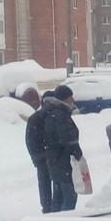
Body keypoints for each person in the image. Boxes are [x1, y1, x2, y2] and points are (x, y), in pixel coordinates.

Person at [41, 85, 82, 213]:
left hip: (55, 160)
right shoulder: (60, 115)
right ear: (64, 98)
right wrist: (77, 152)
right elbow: (67, 138)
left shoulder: (54, 112)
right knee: (69, 195)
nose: (73, 99)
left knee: (59, 196)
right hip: (62, 161)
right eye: (70, 97)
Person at [24, 90, 56, 214]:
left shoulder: (35, 117)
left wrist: (36, 157)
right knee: (54, 182)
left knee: (45, 183)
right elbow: (30, 140)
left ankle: (47, 207)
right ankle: (52, 207)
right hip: (49, 156)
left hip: (42, 157)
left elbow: (29, 140)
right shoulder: (51, 117)